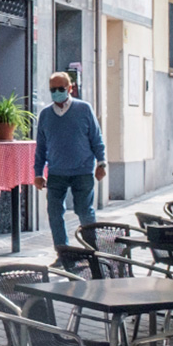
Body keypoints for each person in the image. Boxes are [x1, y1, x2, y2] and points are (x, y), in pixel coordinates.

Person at [32, 70, 107, 264]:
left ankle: (93, 252)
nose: (57, 92)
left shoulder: (84, 109)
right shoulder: (46, 115)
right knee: (55, 212)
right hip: (56, 172)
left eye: (61, 88)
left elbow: (96, 138)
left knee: (84, 211)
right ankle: (63, 253)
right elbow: (40, 146)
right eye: (53, 89)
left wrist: (101, 162)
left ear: (70, 88)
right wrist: (38, 173)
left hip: (82, 170)